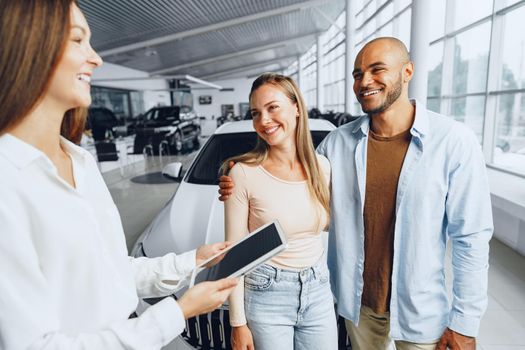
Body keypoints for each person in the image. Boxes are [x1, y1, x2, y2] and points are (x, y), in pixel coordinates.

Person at [219, 37, 493, 350]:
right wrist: (233, 172)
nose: (365, 81)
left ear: (408, 72)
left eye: (377, 70)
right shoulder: (337, 145)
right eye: (357, 74)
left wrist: (464, 323)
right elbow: (293, 178)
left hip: (422, 313)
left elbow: (471, 238)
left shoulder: (453, 142)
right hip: (357, 309)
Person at [0, 1, 237, 349]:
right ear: (29, 45)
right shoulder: (8, 179)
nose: (96, 59)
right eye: (78, 40)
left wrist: (193, 261)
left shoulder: (80, 162)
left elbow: (110, 271)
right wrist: (177, 312)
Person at [222, 73, 337, 350]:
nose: (263, 121)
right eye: (255, 113)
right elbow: (234, 254)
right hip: (266, 292)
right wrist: (238, 323)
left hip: (318, 287)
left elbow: (326, 224)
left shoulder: (321, 167)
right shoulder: (243, 174)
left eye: (273, 107)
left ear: (297, 107)